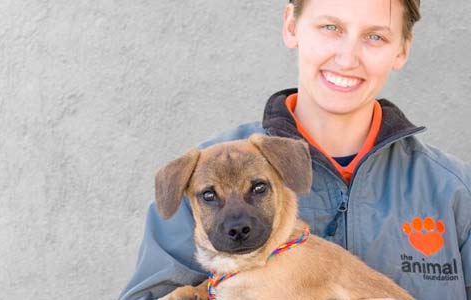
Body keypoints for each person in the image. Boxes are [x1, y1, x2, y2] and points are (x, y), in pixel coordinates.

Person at [120, 0, 471, 299]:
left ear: (403, 49)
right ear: (291, 25)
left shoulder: (451, 189)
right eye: (330, 27)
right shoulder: (202, 174)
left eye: (375, 36)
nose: (347, 58)